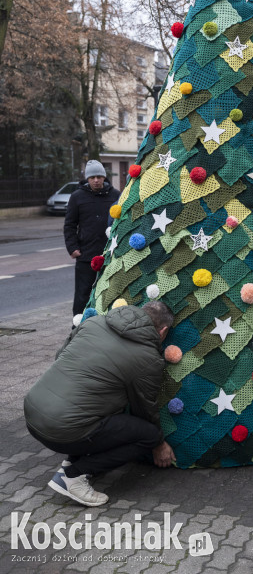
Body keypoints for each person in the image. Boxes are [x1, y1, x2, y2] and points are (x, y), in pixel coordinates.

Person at [24, 301, 175, 506]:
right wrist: (159, 443)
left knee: (93, 408)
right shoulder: (148, 357)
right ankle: (74, 477)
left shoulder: (93, 322)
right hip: (62, 429)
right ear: (163, 331)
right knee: (147, 435)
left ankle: (73, 460)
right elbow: (145, 407)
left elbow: (61, 355)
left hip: (33, 411)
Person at [64, 160, 120, 316]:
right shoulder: (77, 197)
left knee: (110, 291)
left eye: (99, 177)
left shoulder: (115, 195)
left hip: (110, 253)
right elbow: (69, 225)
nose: (96, 180)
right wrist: (73, 248)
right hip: (86, 255)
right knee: (83, 293)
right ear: (87, 179)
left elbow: (122, 221)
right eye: (92, 177)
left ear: (104, 177)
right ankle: (78, 327)